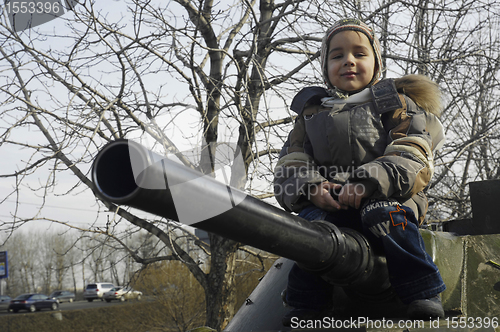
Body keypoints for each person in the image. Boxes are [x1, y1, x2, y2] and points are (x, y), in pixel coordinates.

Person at [273, 18, 446, 325]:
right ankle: (306, 306)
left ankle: (422, 290)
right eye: (337, 55)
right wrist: (313, 188)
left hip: (391, 197)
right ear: (325, 67)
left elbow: (412, 154)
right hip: (330, 200)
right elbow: (291, 163)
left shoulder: (396, 105)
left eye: (359, 53)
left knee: (385, 218)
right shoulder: (311, 114)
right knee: (305, 234)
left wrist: (367, 182)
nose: (348, 61)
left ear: (376, 64)